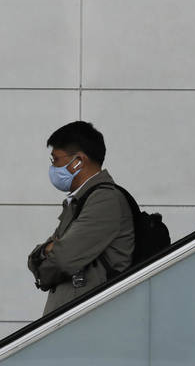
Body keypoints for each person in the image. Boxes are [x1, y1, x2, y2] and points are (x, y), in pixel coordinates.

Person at [28, 121, 134, 315]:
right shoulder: (81, 201)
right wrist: (44, 253)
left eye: (56, 160)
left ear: (78, 161)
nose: (53, 168)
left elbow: (61, 259)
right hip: (74, 322)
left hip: (87, 324)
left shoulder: (105, 200)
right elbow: (35, 261)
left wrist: (48, 253)